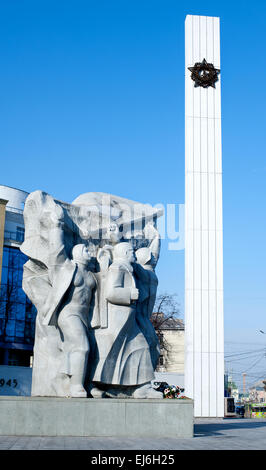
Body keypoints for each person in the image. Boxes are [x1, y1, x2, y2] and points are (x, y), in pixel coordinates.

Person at [88, 241, 163, 398]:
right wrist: (131, 294)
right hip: (117, 320)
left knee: (139, 349)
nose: (133, 254)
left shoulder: (127, 268)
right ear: (124, 253)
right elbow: (110, 292)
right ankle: (96, 384)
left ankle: (141, 387)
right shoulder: (117, 267)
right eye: (131, 251)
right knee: (111, 352)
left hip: (127, 319)